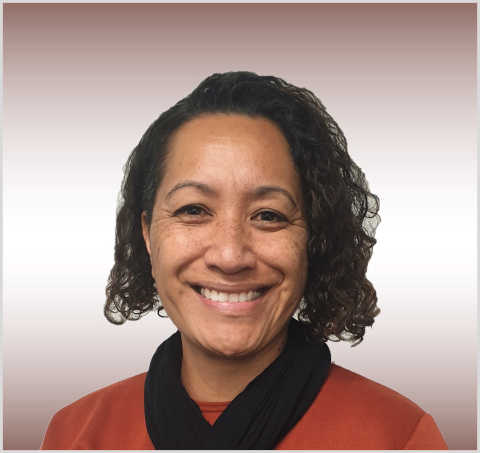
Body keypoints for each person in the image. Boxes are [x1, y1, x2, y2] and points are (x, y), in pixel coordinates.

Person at [41, 71, 447, 450]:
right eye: (193, 210)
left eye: (268, 215)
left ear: (313, 237)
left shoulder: (397, 436)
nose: (230, 256)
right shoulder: (75, 435)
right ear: (147, 233)